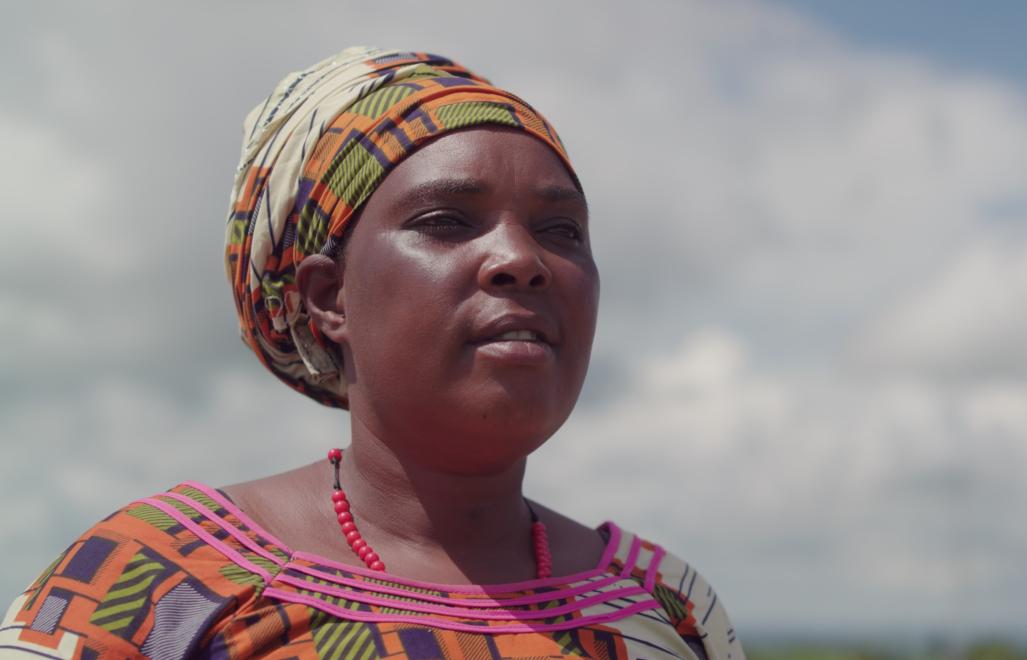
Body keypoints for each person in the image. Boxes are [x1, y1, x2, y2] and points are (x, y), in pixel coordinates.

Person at [2, 47, 743, 659]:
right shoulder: (158, 584)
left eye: (561, 231)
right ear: (328, 299)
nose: (522, 259)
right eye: (447, 220)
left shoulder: (666, 608)